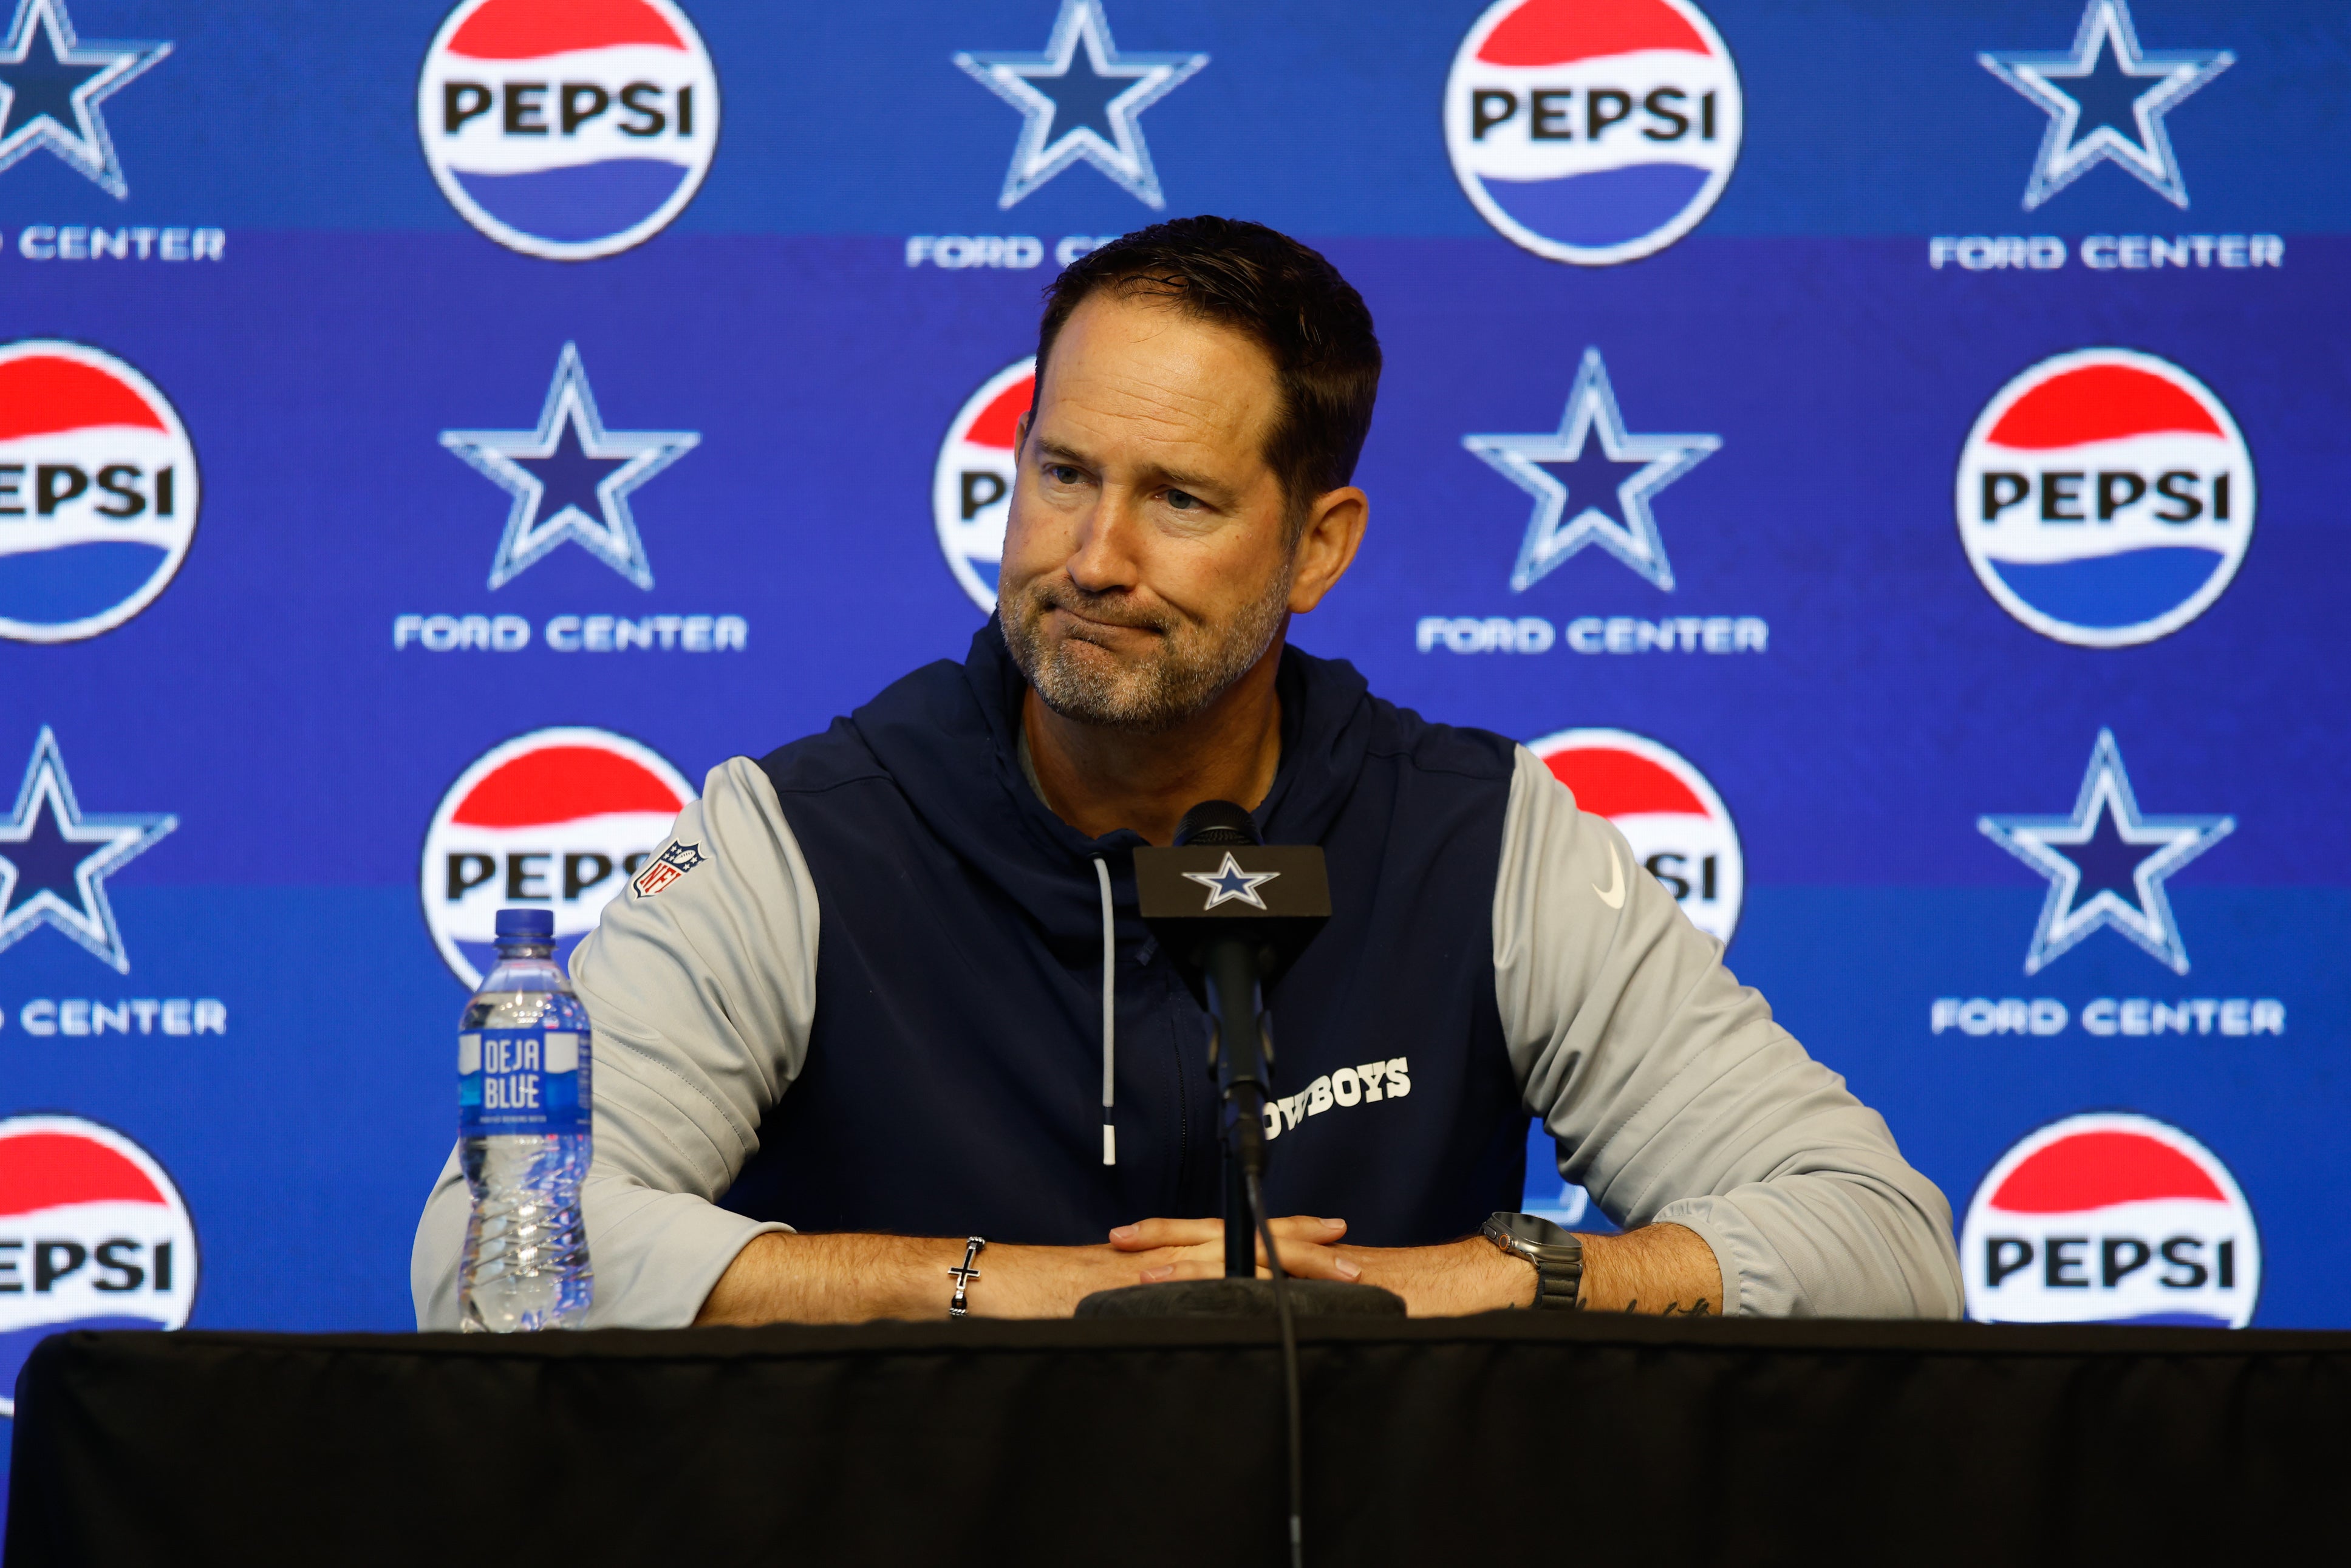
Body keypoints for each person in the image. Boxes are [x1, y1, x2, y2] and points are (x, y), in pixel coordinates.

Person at [414, 216, 1962, 1328]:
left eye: (1181, 500)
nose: (1093, 556)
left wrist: (1499, 1277)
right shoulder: (799, 839)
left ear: (1319, 549)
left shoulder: (1482, 841)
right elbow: (485, 1254)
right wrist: (991, 1286)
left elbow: (1884, 1242)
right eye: (1062, 473)